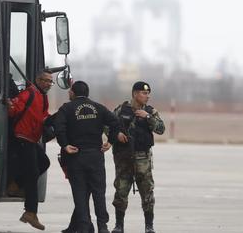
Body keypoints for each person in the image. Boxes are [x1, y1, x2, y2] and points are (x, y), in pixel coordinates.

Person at [53, 81, 127, 233]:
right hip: (95, 156)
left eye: (70, 91)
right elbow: (116, 122)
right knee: (98, 193)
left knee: (80, 193)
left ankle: (84, 226)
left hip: (76, 156)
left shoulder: (66, 108)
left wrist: (65, 144)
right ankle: (102, 226)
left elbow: (58, 127)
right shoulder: (99, 108)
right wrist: (111, 141)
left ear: (72, 93)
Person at [110, 81, 165, 233]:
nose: (147, 96)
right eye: (144, 93)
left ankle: (149, 226)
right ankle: (119, 226)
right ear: (135, 94)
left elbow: (161, 129)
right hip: (124, 158)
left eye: (148, 93)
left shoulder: (150, 111)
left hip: (143, 158)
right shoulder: (121, 109)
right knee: (121, 192)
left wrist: (148, 117)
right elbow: (108, 125)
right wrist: (117, 135)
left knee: (147, 192)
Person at [7, 69, 53, 230]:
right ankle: (30, 212)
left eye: (50, 81)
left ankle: (15, 185)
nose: (48, 84)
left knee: (44, 162)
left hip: (32, 139)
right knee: (32, 173)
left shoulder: (43, 97)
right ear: (38, 80)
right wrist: (10, 104)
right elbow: (13, 110)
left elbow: (44, 116)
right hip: (21, 138)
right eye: (46, 80)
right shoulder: (29, 93)